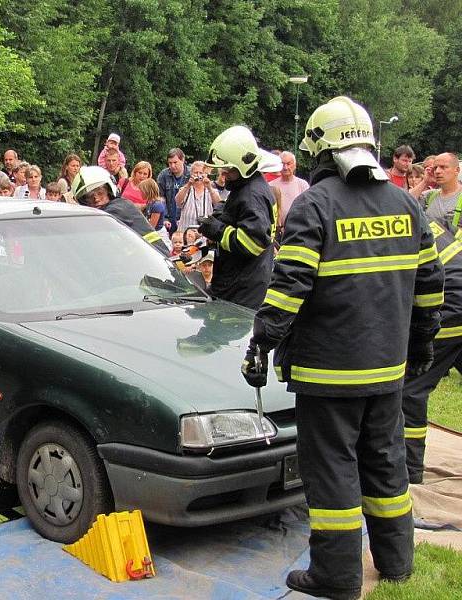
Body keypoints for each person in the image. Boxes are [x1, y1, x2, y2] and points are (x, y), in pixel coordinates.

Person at [243, 96, 443, 600]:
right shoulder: (406, 204)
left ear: (321, 148)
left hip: (328, 372)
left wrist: (261, 342)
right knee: (385, 460)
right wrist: (420, 346)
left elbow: (288, 286)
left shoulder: (317, 204)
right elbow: (430, 288)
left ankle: (335, 575)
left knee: (332, 468)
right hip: (388, 369)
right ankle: (397, 563)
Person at [401, 211, 462, 484]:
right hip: (457, 296)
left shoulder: (394, 226)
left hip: (449, 306)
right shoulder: (416, 215)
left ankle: (408, 468)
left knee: (411, 387)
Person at [198, 125, 275, 309]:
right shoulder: (248, 187)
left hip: (242, 290)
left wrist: (217, 230)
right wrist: (222, 214)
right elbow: (242, 218)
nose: (224, 175)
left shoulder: (252, 195)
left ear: (243, 166)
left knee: (226, 334)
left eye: (228, 170)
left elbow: (252, 242)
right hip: (240, 281)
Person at [70, 165, 168, 254]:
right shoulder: (121, 204)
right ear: (82, 201)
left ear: (109, 191)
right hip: (152, 259)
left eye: (100, 193)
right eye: (89, 197)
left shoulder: (113, 210)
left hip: (154, 260)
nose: (96, 199)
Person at [174, 160, 221, 232]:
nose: (198, 175)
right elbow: (177, 201)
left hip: (205, 233)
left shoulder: (211, 190)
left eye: (201, 173)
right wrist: (189, 184)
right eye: (196, 172)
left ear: (206, 174)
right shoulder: (186, 189)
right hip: (185, 232)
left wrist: (209, 187)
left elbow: (218, 205)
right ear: (191, 174)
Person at [270, 150, 309, 231]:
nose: (285, 167)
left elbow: (308, 210)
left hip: (297, 230)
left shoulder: (303, 185)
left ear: (294, 165)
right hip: (276, 231)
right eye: (282, 164)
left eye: (288, 164)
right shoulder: (271, 185)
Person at [422, 153, 462, 230]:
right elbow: (404, 203)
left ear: (457, 170)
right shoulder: (429, 195)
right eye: (435, 168)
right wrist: (425, 182)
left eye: (443, 167)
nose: (437, 171)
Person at [157, 148, 189, 234]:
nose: (172, 166)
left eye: (175, 162)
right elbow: (160, 198)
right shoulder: (163, 175)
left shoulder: (191, 175)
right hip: (169, 219)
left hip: (185, 220)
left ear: (182, 160)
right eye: (170, 163)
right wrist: (164, 218)